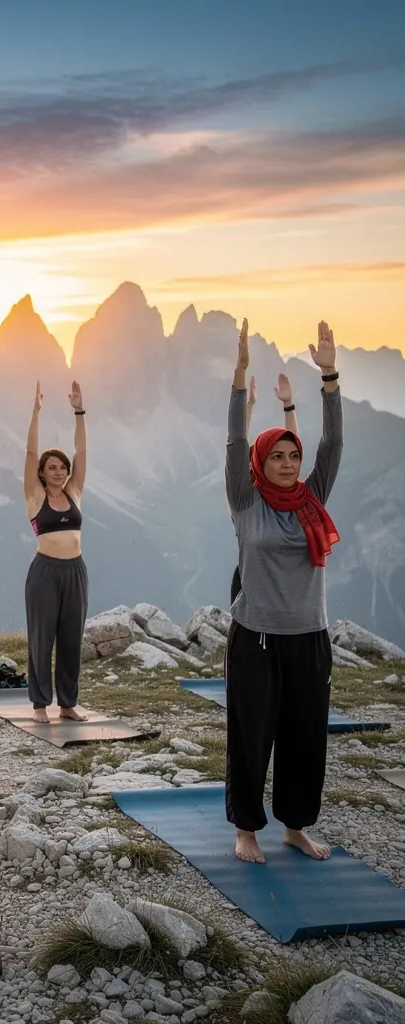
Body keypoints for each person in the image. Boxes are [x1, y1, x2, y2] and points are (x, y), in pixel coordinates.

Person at [225, 318, 342, 865]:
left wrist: (329, 377)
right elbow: (234, 442)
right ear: (261, 462)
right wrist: (239, 375)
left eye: (294, 456)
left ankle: (295, 826)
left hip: (310, 636)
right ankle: (246, 830)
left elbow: (332, 444)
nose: (290, 464)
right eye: (278, 456)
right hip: (257, 638)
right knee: (252, 736)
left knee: (305, 737)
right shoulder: (246, 502)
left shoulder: (313, 497)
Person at [23, 379, 89, 723]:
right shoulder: (35, 497)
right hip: (45, 572)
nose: (60, 472)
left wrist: (79, 411)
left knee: (71, 638)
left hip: (75, 571)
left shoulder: (74, 492)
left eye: (62, 468)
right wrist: (36, 412)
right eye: (53, 468)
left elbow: (82, 453)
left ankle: (67, 703)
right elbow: (31, 454)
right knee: (41, 637)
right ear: (42, 473)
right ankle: (39, 705)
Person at [230, 373, 299, 603]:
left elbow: (292, 446)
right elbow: (237, 444)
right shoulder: (244, 500)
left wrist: (288, 406)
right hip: (250, 579)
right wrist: (249, 405)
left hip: (280, 577)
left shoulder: (283, 493)